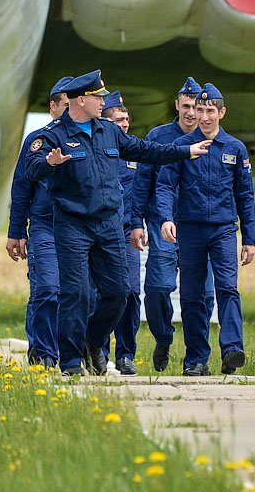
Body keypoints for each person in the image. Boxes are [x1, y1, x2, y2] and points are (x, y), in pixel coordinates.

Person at [24, 70, 211, 376]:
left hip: (109, 224)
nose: (103, 102)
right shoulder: (54, 134)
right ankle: (71, 362)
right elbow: (31, 169)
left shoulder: (108, 131)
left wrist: (185, 151)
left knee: (119, 293)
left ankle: (93, 340)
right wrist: (49, 163)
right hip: (72, 224)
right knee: (76, 293)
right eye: (98, 97)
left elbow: (145, 150)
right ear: (81, 100)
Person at [154, 83, 255, 376]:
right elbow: (164, 185)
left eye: (210, 111)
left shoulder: (235, 149)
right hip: (190, 229)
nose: (204, 117)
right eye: (200, 110)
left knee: (227, 288)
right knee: (192, 295)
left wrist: (249, 239)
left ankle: (232, 349)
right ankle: (196, 358)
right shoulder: (183, 147)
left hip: (224, 229)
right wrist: (165, 218)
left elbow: (245, 196)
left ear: (221, 113)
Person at [128, 77, 216, 372]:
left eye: (198, 107)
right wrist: (135, 221)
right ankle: (163, 337)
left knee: (204, 295)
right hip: (161, 223)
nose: (192, 113)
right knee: (156, 289)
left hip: (198, 225)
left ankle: (197, 355)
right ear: (177, 105)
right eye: (187, 106)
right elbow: (142, 183)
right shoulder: (159, 137)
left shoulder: (215, 139)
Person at [7, 76, 72, 368]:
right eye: (65, 106)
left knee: (80, 294)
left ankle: (73, 351)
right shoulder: (38, 142)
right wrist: (16, 231)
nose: (70, 112)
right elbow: (22, 188)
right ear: (53, 107)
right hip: (45, 223)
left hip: (78, 226)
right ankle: (44, 353)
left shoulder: (86, 138)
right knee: (47, 290)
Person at [101, 91, 142, 375]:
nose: (125, 125)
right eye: (118, 121)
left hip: (127, 234)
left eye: (126, 119)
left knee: (130, 292)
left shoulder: (134, 154)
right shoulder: (98, 151)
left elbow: (140, 194)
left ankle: (126, 354)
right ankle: (98, 351)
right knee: (100, 294)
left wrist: (139, 224)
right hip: (100, 233)